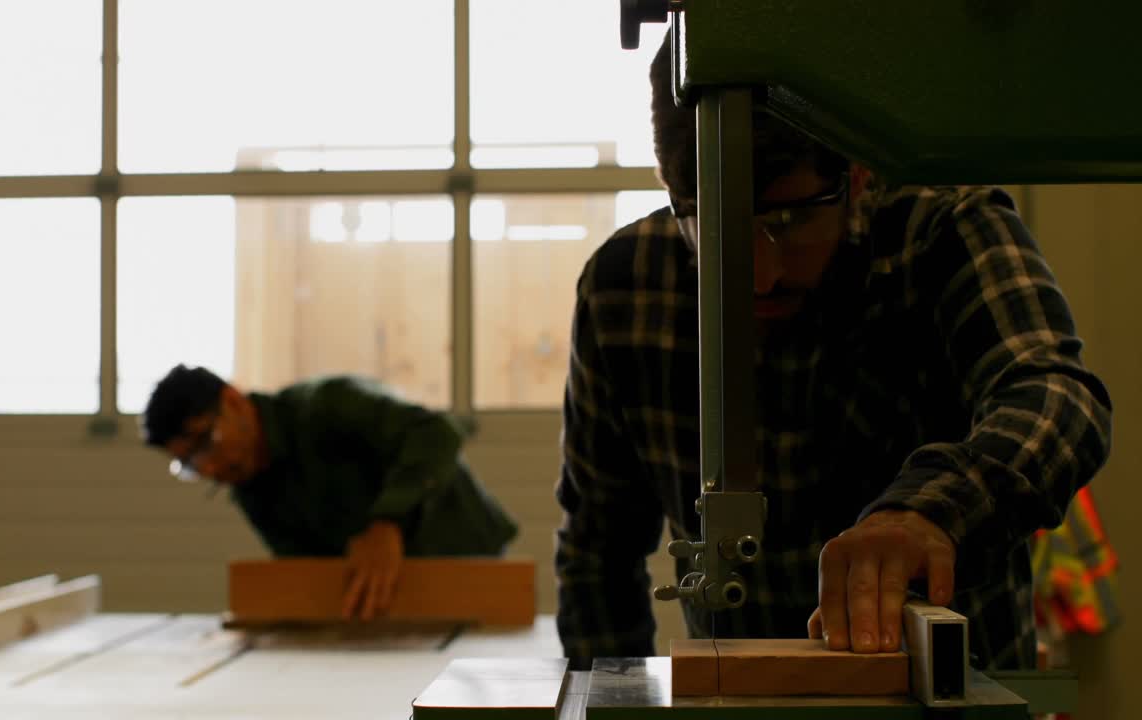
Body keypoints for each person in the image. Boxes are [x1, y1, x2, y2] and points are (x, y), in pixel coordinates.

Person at [555, 34, 1112, 672]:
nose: (759, 276)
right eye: (713, 228)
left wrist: (927, 513)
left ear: (856, 173)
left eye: (788, 223)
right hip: (737, 698)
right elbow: (598, 555)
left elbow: (1056, 394)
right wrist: (612, 699)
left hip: (956, 693)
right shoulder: (624, 289)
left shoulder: (944, 233)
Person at [141, 365, 518, 621]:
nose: (208, 468)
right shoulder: (249, 485)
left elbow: (437, 433)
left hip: (464, 559)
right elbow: (307, 573)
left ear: (234, 402)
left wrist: (387, 523)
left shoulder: (327, 404)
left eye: (206, 443)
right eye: (189, 464)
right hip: (386, 608)